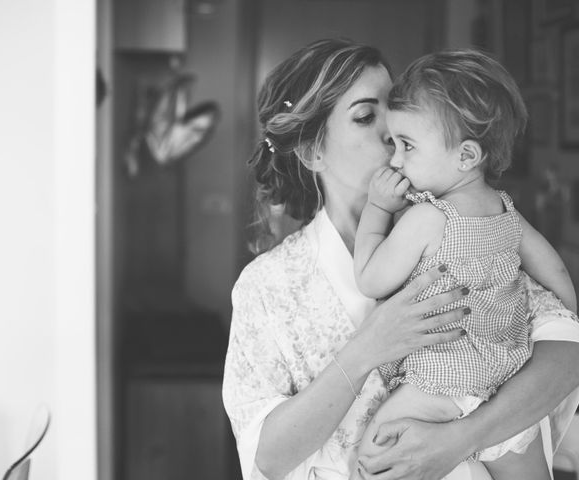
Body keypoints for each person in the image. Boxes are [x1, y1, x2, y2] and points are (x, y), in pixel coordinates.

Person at [221, 38, 579, 480]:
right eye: (367, 116)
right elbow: (267, 456)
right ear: (313, 152)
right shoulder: (268, 286)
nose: (392, 130)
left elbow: (567, 350)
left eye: (396, 110)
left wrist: (463, 438)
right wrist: (368, 348)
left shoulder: (463, 227)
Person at [352, 50, 577, 480]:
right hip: (508, 379)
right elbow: (555, 269)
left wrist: (377, 210)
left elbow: (369, 278)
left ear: (467, 156)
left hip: (441, 380)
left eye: (407, 146)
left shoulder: (427, 219)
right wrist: (570, 312)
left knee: (373, 460)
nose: (394, 159)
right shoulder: (505, 210)